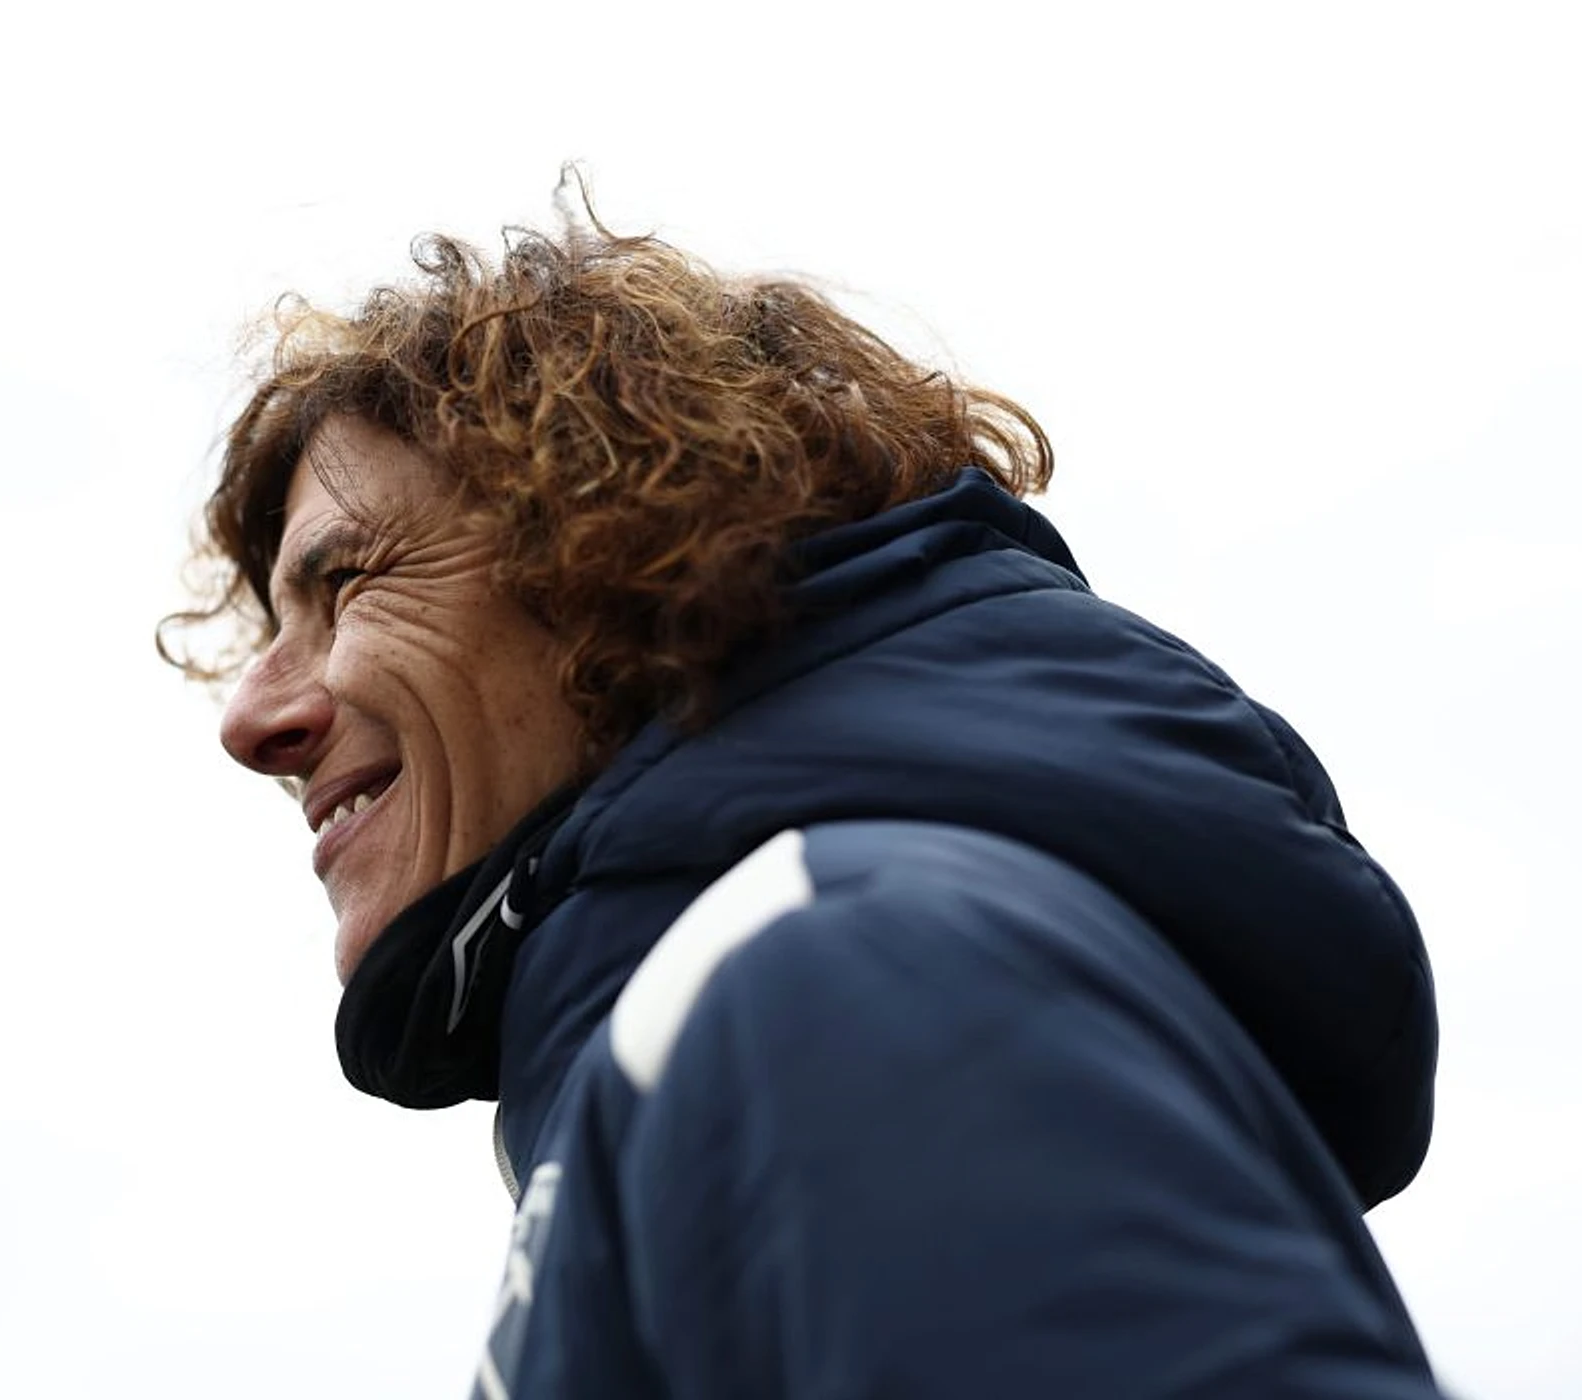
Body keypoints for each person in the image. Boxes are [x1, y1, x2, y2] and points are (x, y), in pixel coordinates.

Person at [163, 202, 1443, 1398]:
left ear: (615, 558)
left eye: (346, 585)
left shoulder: (846, 972)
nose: (250, 721)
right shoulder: (767, 1013)